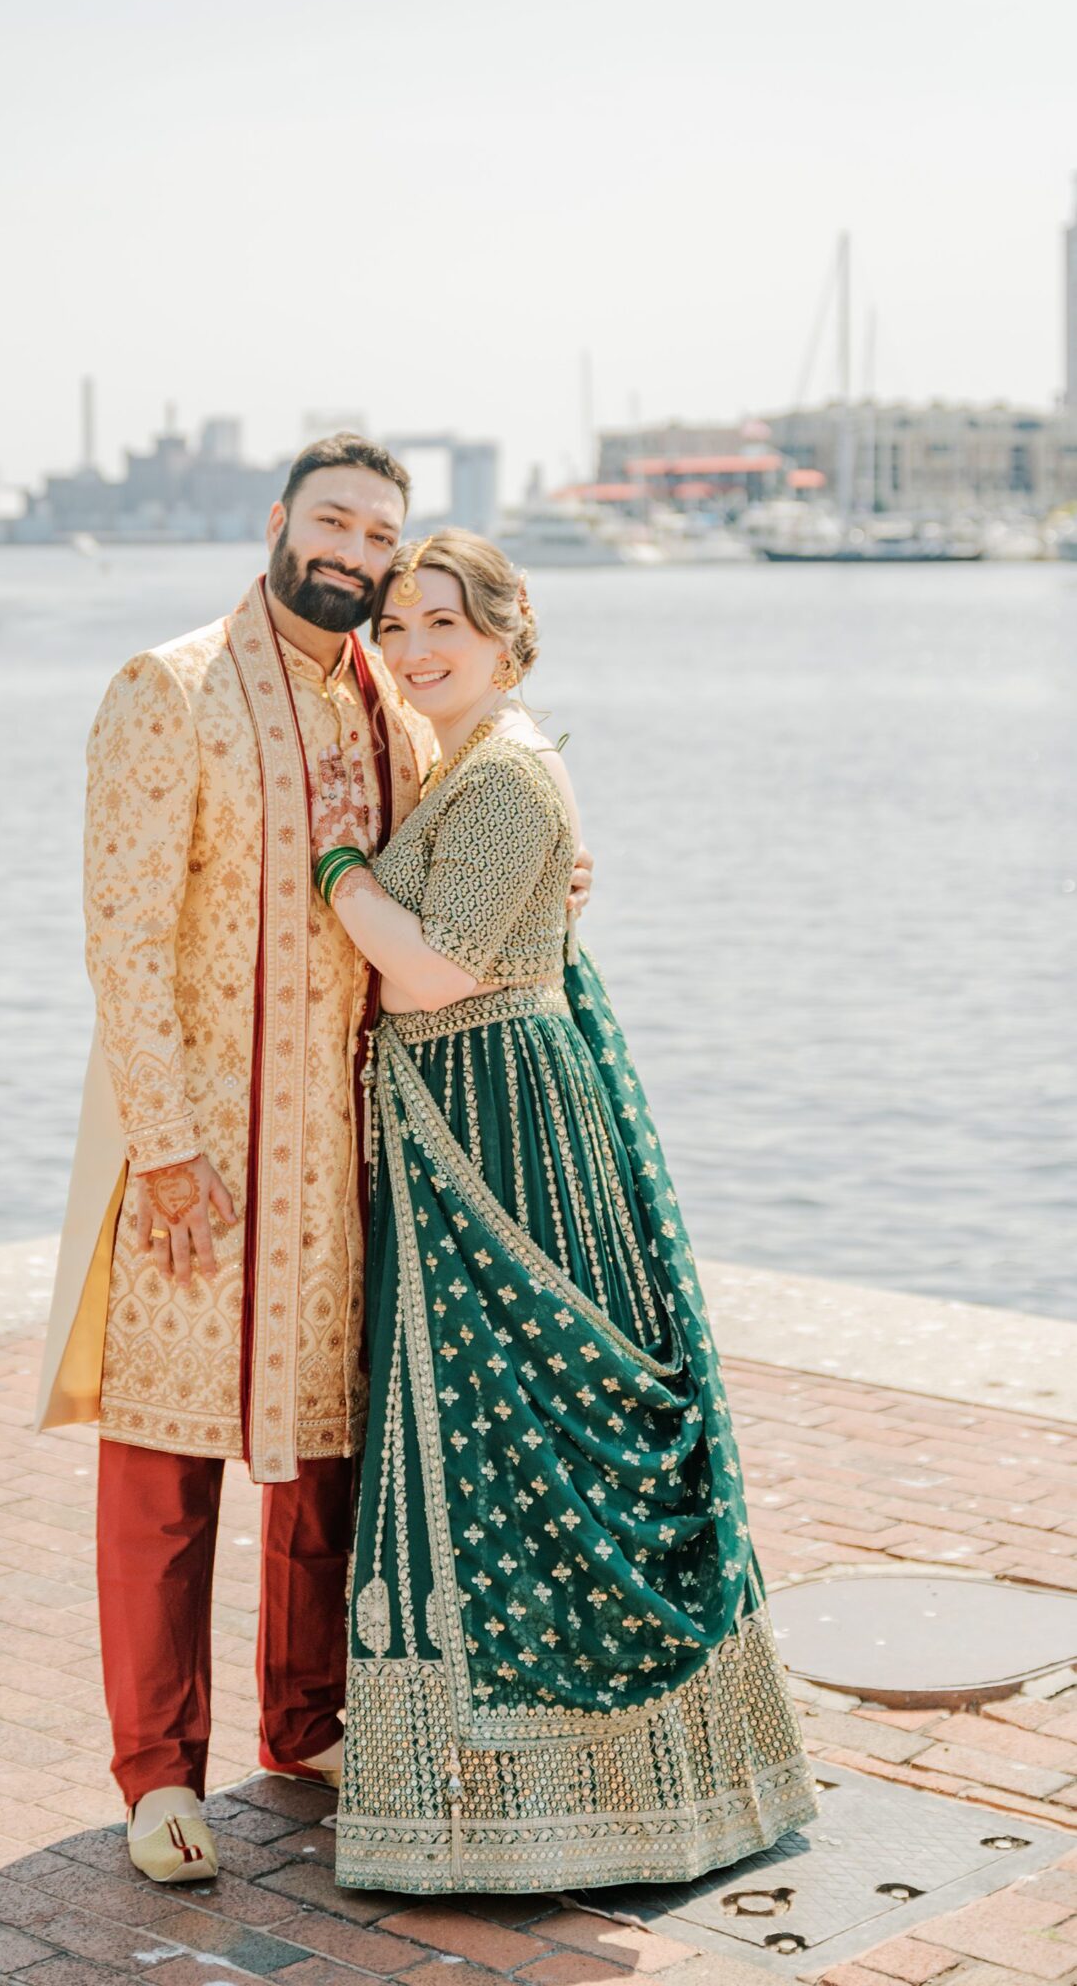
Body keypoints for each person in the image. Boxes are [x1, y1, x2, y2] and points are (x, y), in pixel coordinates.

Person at [36, 439, 596, 1883]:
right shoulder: (171, 690)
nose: (354, 551)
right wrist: (161, 1149)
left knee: (327, 1462)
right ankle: (159, 1775)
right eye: (333, 520)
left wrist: (562, 870)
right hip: (202, 1155)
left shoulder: (394, 710)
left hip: (351, 1149)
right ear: (278, 523)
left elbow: (480, 846)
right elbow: (124, 935)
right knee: (166, 1467)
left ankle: (306, 1720)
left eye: (379, 534)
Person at [314, 529, 817, 1896]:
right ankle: (502, 1796)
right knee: (499, 1431)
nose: (418, 649)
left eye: (447, 627)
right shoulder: (469, 759)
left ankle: (583, 1802)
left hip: (501, 1114)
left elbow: (430, 976)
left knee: (536, 1426)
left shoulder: (511, 771)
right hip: (476, 1103)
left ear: (507, 637)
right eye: (402, 626)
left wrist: (337, 875)